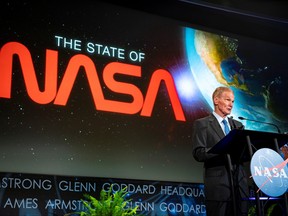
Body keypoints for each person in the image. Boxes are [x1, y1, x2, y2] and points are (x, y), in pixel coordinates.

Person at [192, 86, 249, 216]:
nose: (231, 104)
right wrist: (222, 148)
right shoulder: (202, 124)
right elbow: (198, 153)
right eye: (228, 100)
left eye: (233, 101)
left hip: (240, 186)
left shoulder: (238, 125)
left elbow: (244, 153)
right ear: (216, 100)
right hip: (218, 188)